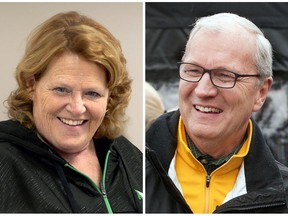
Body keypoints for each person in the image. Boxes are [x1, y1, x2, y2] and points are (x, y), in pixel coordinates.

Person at [0, 11, 142, 213]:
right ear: (31, 85)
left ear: (110, 96)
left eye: (92, 93)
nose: (77, 108)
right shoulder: (5, 163)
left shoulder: (126, 154)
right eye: (61, 90)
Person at [146, 12, 288, 213]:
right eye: (193, 70)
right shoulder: (131, 170)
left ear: (261, 92)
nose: (203, 90)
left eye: (224, 75)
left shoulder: (281, 197)